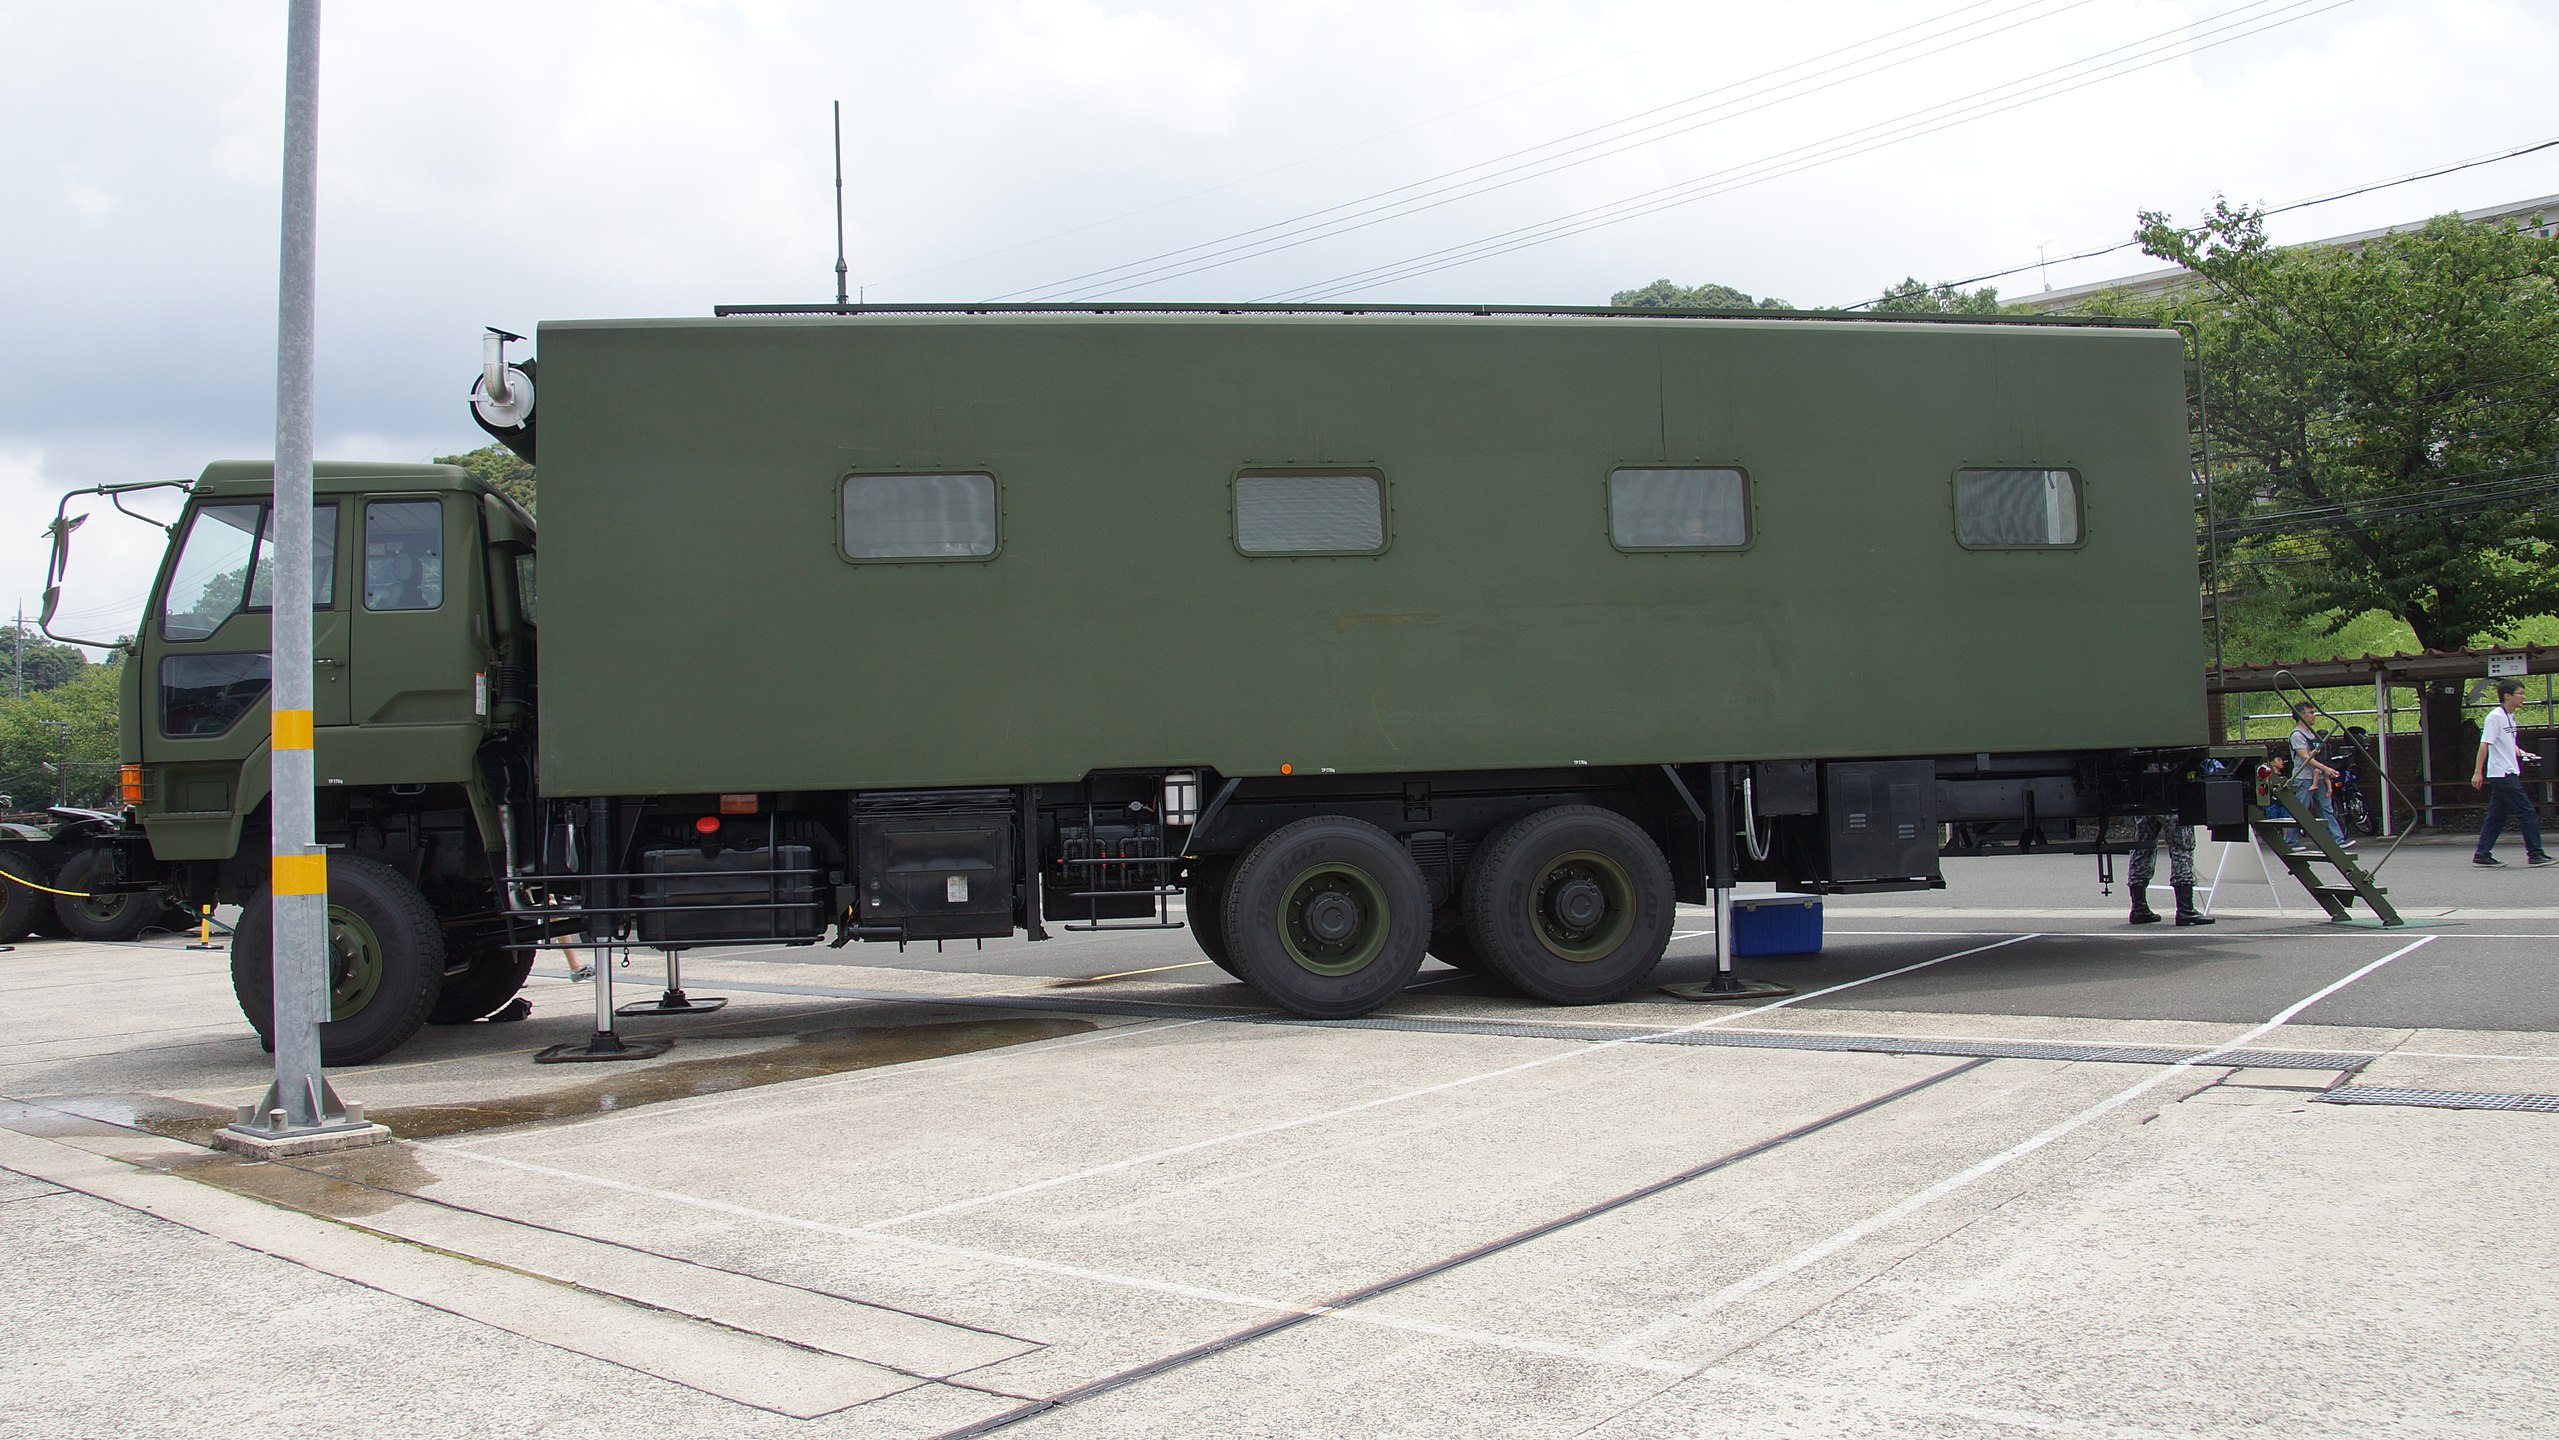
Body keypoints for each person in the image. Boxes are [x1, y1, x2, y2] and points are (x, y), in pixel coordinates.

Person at [2471, 678, 2552, 868]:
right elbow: (2485, 744)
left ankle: (2482, 854)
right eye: (2520, 693)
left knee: (2496, 816)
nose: (2523, 697)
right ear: (2507, 696)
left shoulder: (2511, 717)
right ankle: (2535, 853)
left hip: (2509, 771)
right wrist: (2477, 772)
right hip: (2502, 773)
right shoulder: (2495, 717)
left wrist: (2523, 753)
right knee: (2527, 812)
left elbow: (2508, 743)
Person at [2125, 812, 2213, 926]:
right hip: (2171, 803)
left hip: (2145, 802)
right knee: (2182, 848)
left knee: (2142, 849)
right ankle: (2185, 909)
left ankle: (2138, 907)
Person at [2287, 701, 2352, 850]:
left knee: (2326, 808)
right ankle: (2290, 841)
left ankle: (2337, 840)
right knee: (2301, 809)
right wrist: (2326, 768)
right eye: (2310, 713)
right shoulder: (2297, 735)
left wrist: (2324, 771)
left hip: (2319, 777)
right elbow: (2305, 757)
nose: (2314, 716)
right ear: (2301, 716)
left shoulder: (2312, 734)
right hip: (2304, 778)